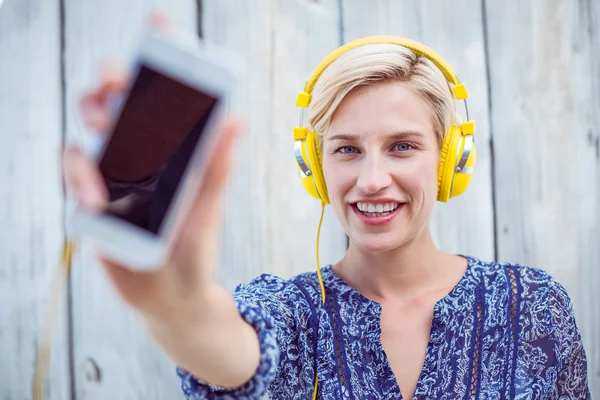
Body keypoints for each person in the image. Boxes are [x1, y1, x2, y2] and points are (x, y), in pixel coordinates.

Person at [63, 19, 591, 400]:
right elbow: (223, 346)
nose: (372, 179)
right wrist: (176, 306)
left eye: (403, 146)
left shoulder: (536, 306)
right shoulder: (288, 314)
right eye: (346, 149)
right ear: (315, 168)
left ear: (451, 158)